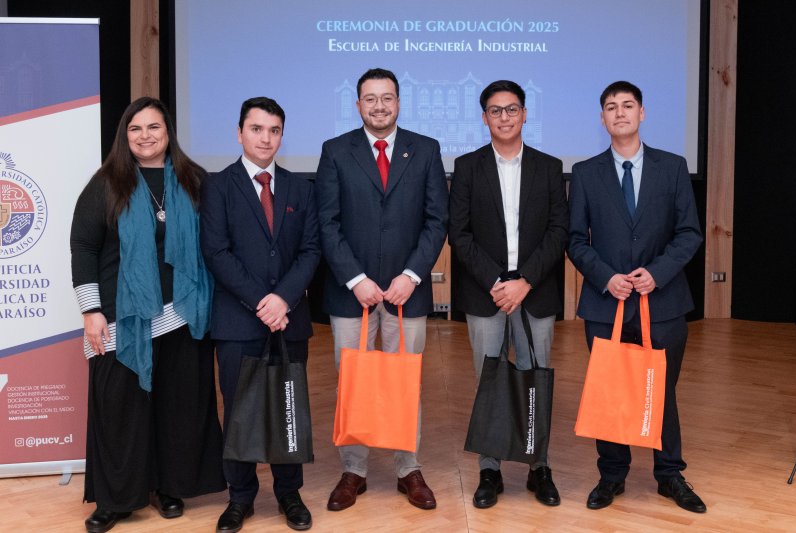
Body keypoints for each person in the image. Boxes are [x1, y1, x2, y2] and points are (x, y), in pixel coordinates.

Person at [70, 97, 225, 533]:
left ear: (168, 132)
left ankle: (169, 487)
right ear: (125, 135)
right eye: (135, 128)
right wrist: (91, 310)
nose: (145, 136)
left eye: (154, 127)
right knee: (120, 410)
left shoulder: (194, 180)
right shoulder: (106, 184)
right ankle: (116, 500)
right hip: (122, 318)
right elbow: (83, 248)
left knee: (178, 407)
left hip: (184, 313)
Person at [568, 81, 706, 513]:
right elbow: (575, 240)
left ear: (642, 113)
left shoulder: (673, 167)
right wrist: (606, 277)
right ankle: (612, 476)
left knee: (661, 390)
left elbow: (689, 233)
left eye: (628, 105)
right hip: (605, 304)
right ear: (602, 118)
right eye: (611, 107)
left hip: (662, 303)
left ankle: (670, 475)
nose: (620, 113)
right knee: (610, 391)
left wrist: (658, 274)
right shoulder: (586, 173)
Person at [315, 67, 448, 512]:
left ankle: (408, 468)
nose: (379, 106)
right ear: (358, 104)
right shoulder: (336, 151)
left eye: (386, 98)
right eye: (370, 99)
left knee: (404, 383)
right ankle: (353, 470)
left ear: (398, 102)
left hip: (407, 293)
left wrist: (411, 275)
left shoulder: (425, 149)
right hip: (351, 294)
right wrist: (356, 279)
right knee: (352, 384)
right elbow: (327, 222)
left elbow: (436, 221)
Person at [200, 97, 320, 532]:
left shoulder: (301, 189)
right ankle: (241, 497)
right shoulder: (218, 186)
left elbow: (311, 250)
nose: (265, 138)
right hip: (238, 321)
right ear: (239, 133)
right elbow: (216, 252)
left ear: (282, 136)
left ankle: (289, 494)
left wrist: (283, 299)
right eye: (256, 129)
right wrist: (261, 302)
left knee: (289, 407)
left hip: (289, 319)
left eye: (274, 130)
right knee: (240, 410)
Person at [449, 80, 568, 509]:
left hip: (535, 291)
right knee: (490, 383)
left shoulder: (549, 167)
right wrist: (497, 283)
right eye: (496, 110)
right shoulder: (467, 167)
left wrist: (526, 280)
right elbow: (459, 234)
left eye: (512, 109)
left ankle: (539, 467)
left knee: (537, 381)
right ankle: (490, 470)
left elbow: (559, 230)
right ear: (485, 118)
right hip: (487, 293)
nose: (504, 117)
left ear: (524, 114)